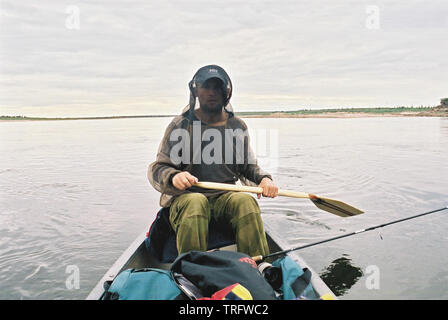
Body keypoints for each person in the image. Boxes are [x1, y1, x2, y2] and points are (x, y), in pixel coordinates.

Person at [147, 65, 278, 258]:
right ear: (195, 91)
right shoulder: (180, 126)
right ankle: (192, 270)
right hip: (187, 198)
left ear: (226, 93)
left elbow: (247, 167)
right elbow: (158, 168)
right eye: (205, 87)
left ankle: (257, 266)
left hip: (225, 198)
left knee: (245, 201)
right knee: (195, 202)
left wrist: (264, 179)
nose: (211, 92)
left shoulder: (237, 126)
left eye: (217, 87)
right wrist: (174, 176)